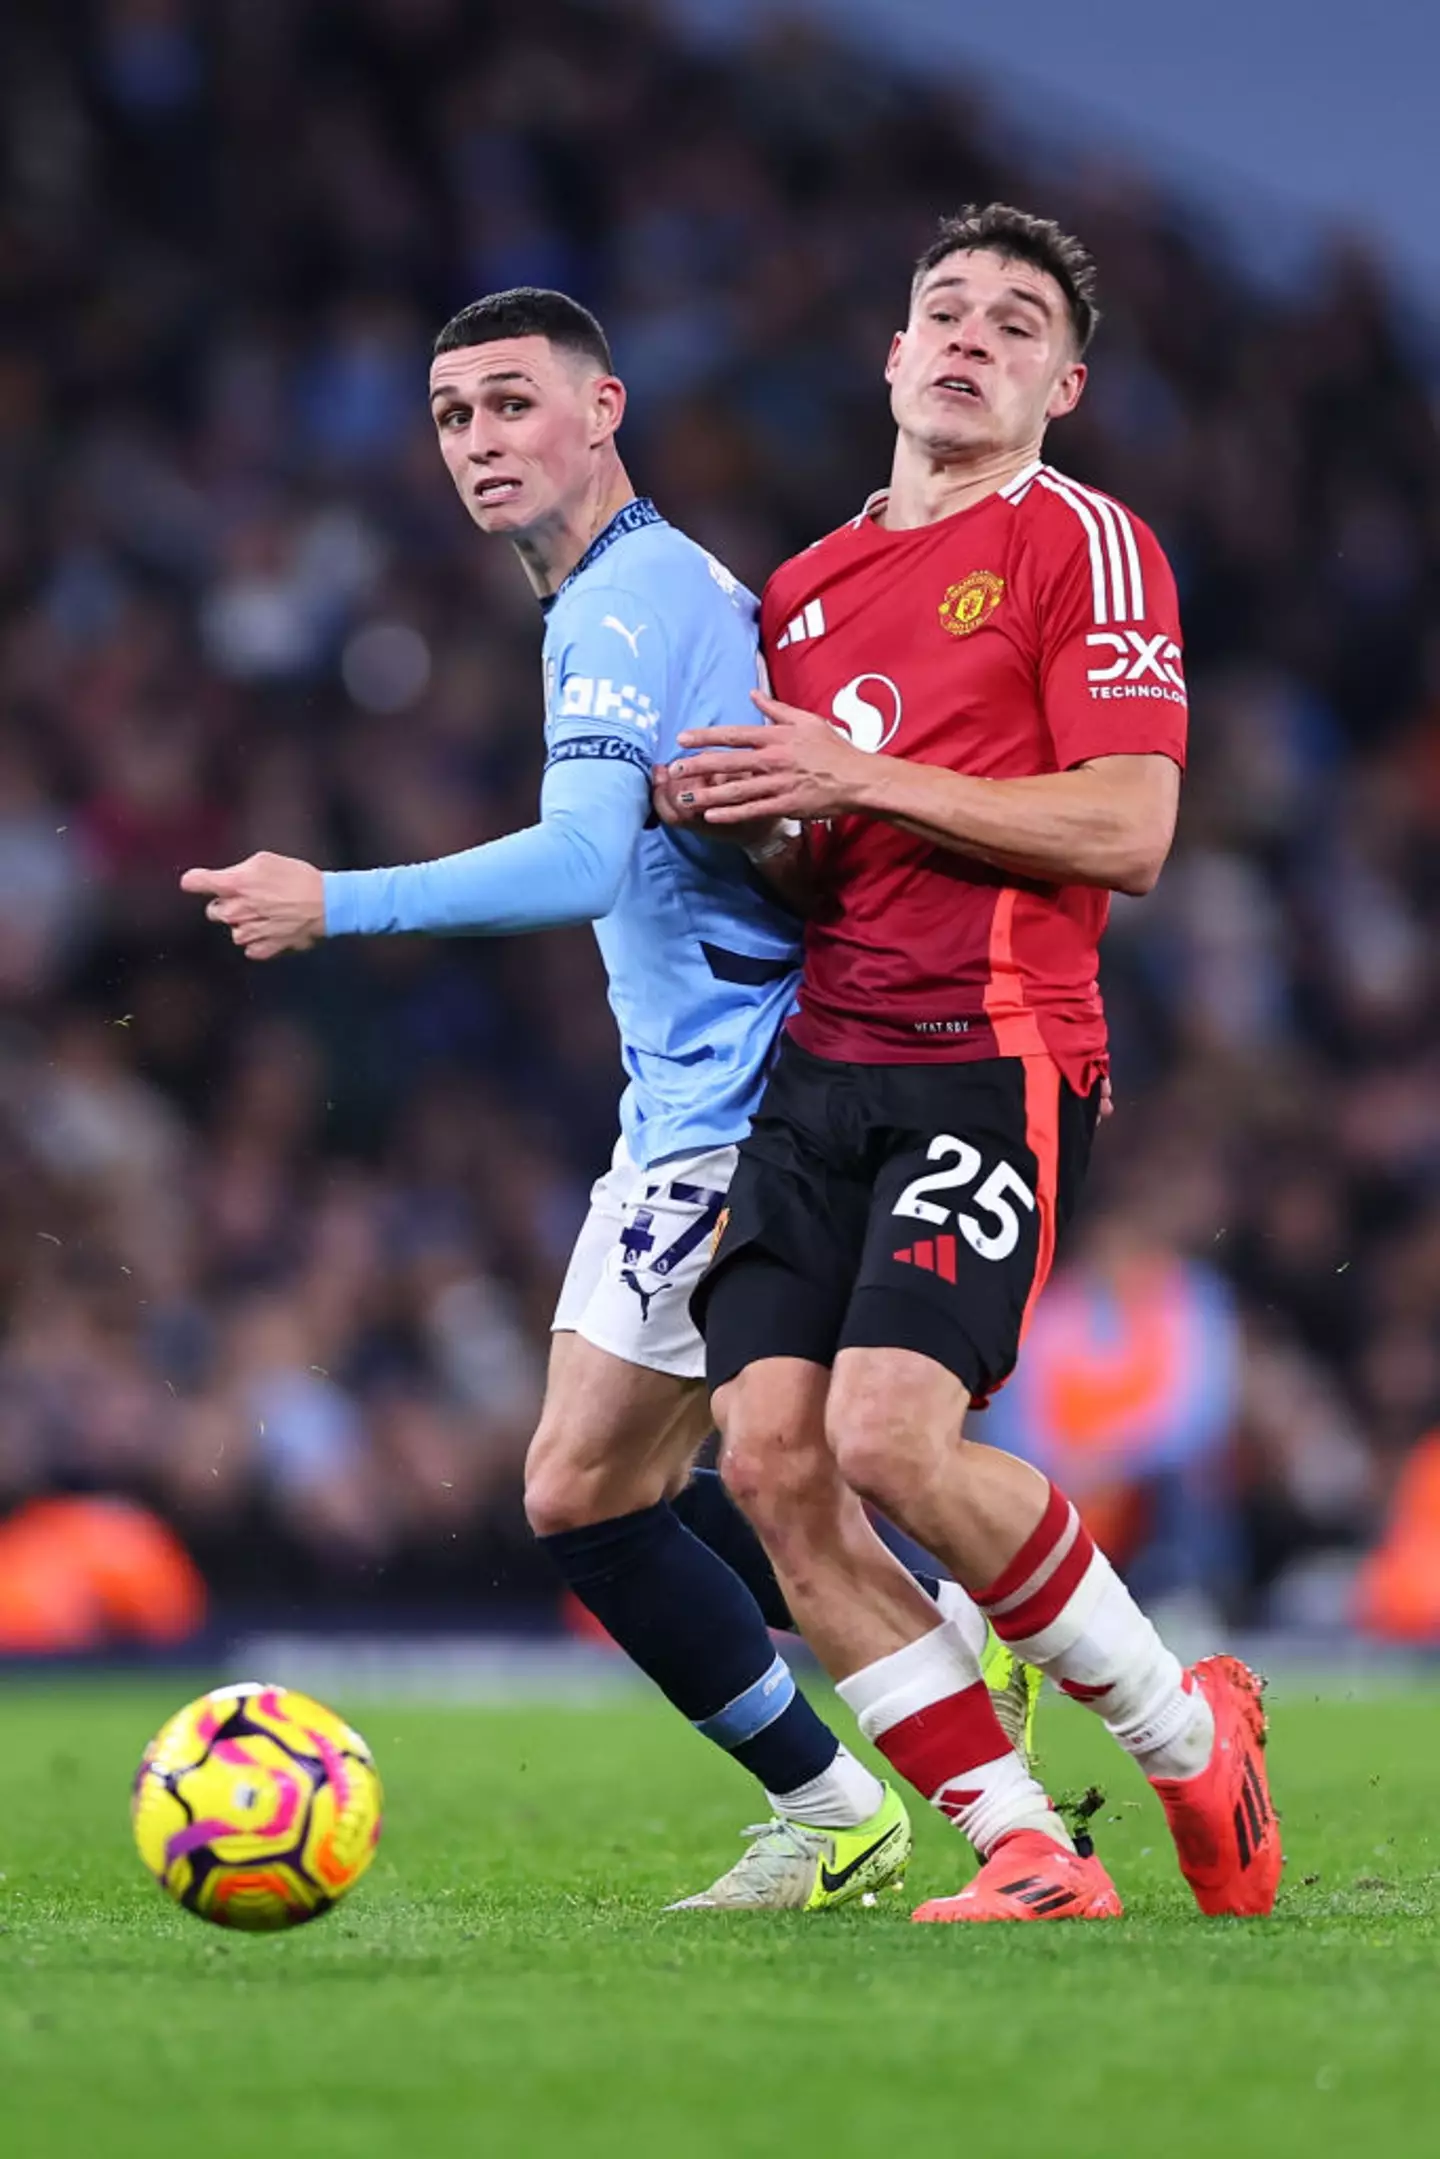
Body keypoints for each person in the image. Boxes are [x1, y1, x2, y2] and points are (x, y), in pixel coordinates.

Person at [181, 286, 1034, 1911]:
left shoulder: (626, 601)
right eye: (452, 416)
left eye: (512, 403)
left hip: (740, 1108)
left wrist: (332, 899)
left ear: (604, 408)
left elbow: (583, 859)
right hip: (722, 1096)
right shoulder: (645, 588)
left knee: (584, 1490)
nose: (479, 441)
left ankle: (854, 1789)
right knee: (664, 1478)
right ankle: (935, 1650)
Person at [664, 204, 1282, 1923]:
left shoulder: (1085, 544)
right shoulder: (802, 590)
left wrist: (854, 781)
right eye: (946, 309)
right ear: (890, 356)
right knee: (770, 1460)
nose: (972, 339)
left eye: (1018, 325)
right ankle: (1027, 1844)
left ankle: (1185, 1735)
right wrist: (747, 822)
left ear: (1061, 387)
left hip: (989, 1053)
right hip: (818, 1066)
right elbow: (818, 865)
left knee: (888, 1435)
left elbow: (1131, 829)